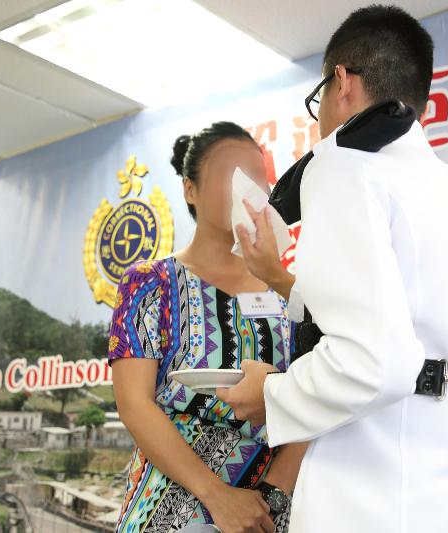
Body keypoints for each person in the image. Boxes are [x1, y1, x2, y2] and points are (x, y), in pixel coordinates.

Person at [216, 6, 448, 533]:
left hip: (378, 505)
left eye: (319, 103)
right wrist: (276, 276)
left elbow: (376, 360)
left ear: (342, 80)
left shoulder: (343, 164)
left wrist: (272, 395)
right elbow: (404, 328)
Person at [109, 122, 308, 533]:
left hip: (265, 509)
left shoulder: (292, 290)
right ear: (190, 189)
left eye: (255, 173)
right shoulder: (149, 282)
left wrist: (275, 494)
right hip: (169, 502)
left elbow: (320, 390)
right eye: (227, 171)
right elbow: (134, 403)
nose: (244, 185)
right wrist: (216, 495)